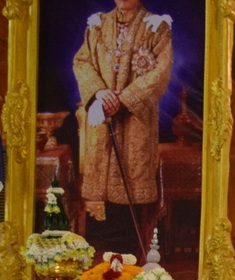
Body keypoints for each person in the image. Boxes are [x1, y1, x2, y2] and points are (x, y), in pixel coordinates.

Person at [73, 0, 173, 252]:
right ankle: (106, 261)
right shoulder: (98, 25)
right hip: (102, 120)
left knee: (132, 195)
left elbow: (160, 72)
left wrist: (124, 99)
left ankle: (130, 258)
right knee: (103, 203)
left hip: (135, 123)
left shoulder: (156, 27)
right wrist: (99, 93)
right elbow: (82, 61)